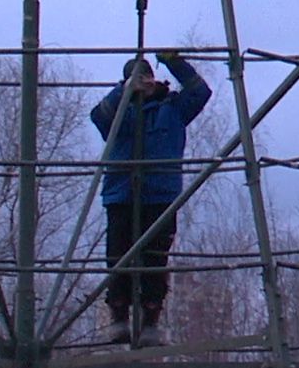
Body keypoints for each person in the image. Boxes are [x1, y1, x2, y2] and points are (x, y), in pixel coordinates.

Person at [90, 50, 211, 347]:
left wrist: (174, 61)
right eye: (135, 77)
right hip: (122, 192)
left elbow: (200, 91)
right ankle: (119, 316)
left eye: (145, 76)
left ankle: (151, 319)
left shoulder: (173, 108)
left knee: (155, 259)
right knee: (119, 257)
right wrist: (125, 91)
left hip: (160, 193)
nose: (142, 82)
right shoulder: (119, 110)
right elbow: (99, 116)